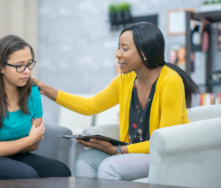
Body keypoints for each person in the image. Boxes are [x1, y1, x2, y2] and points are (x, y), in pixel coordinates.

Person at [31, 22, 199, 181]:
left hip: (162, 156)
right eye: (119, 47)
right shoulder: (125, 80)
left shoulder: (170, 81)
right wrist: (46, 90)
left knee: (110, 167)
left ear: (145, 53)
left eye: (124, 48)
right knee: (85, 160)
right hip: (131, 152)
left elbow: (164, 141)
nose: (118, 54)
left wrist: (116, 150)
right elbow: (89, 106)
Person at [0, 35, 70, 180]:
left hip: (8, 152)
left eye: (29, 63)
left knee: (60, 171)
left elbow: (34, 144)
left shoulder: (33, 92)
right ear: (1, 67)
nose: (27, 71)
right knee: (26, 175)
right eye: (19, 66)